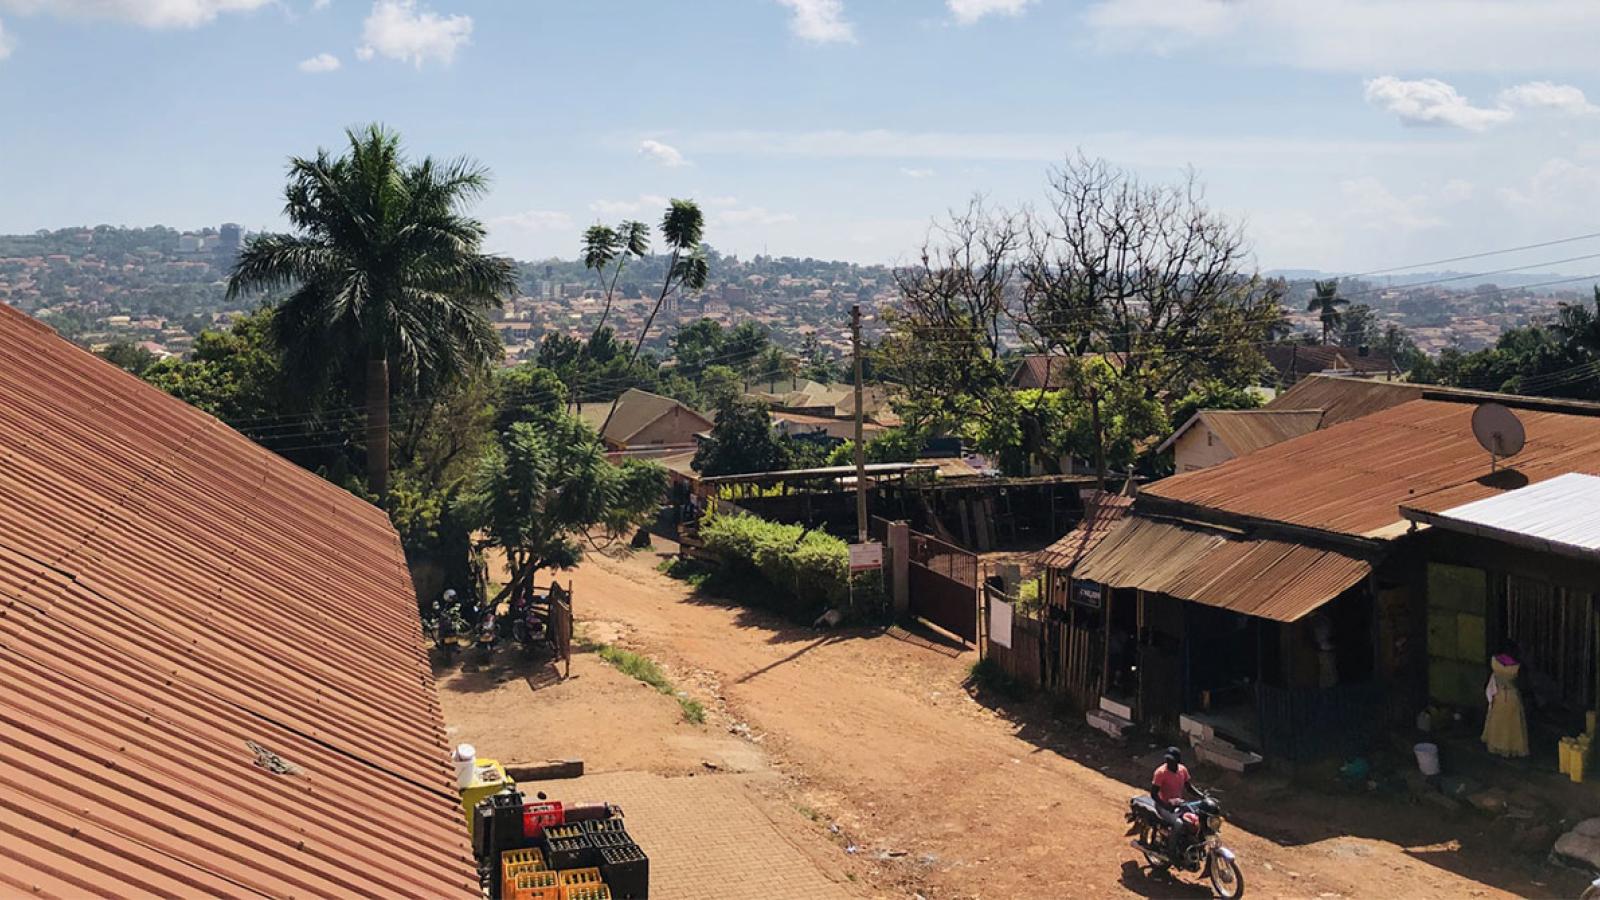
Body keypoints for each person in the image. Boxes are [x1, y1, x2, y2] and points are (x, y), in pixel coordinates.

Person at [1151, 747, 1201, 863]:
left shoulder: (1182, 770)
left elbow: (1189, 787)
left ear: (1178, 760)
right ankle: (1171, 851)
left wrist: (1202, 796)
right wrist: (1165, 805)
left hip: (1179, 804)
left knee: (1195, 820)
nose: (1169, 762)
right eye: (1168, 759)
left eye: (1172, 760)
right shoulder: (1160, 773)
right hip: (1163, 806)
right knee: (1179, 824)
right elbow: (1154, 794)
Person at [1482, 640, 1529, 758]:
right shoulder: (1517, 666)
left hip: (1499, 695)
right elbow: (1522, 683)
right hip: (1512, 697)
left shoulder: (1495, 661)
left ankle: (1496, 746)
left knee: (1497, 723)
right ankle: (1510, 748)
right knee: (1512, 726)